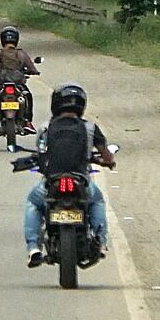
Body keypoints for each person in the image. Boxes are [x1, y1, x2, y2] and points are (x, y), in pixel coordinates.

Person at [21, 81, 114, 265]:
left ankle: (34, 248)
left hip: (51, 183)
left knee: (33, 202)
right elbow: (106, 155)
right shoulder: (90, 128)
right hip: (81, 182)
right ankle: (101, 242)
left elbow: (41, 152)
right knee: (97, 200)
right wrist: (107, 161)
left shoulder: (45, 128)